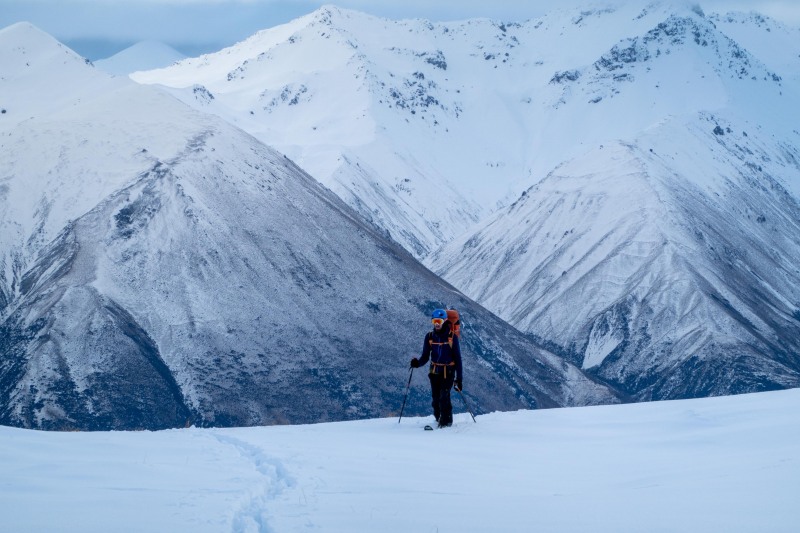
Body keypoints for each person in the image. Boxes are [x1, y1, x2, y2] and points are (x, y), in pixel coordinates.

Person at [410, 309, 463, 428]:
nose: (436, 324)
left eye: (439, 321)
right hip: (434, 372)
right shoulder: (429, 337)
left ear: (444, 321)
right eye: (434, 321)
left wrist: (459, 379)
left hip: (448, 372)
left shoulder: (451, 337)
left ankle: (446, 423)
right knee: (435, 399)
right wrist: (417, 363)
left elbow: (458, 359)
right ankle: (438, 418)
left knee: (444, 397)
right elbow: (425, 356)